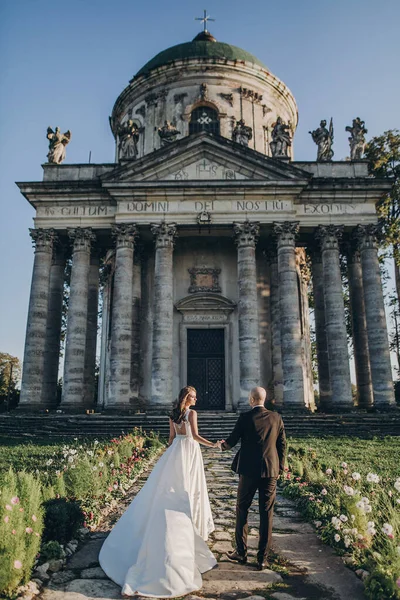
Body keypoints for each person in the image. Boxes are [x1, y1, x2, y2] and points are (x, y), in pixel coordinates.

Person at [99, 386, 221, 597]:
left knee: (168, 489)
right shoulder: (192, 413)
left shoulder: (173, 414)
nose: (197, 398)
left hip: (175, 453)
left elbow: (172, 439)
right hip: (190, 452)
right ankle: (190, 530)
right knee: (188, 491)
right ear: (187, 398)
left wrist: (167, 459)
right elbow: (196, 436)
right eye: (193, 396)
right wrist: (213, 445)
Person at [220, 387, 286, 571]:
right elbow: (282, 445)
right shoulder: (276, 418)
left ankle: (241, 552)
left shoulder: (245, 418)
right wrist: (280, 467)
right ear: (265, 399)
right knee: (267, 514)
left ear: (251, 399)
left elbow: (231, 441)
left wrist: (221, 446)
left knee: (242, 509)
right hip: (270, 471)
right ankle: (262, 559)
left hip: (248, 471)